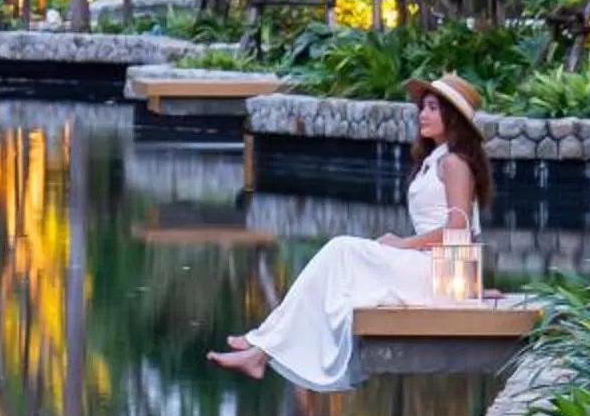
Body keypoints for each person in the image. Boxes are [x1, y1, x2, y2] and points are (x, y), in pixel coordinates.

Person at [209, 73, 493, 387]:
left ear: (453, 119)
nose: (422, 115)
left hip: (445, 273)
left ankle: (261, 347)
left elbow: (460, 231)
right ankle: (262, 347)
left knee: (341, 250)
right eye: (422, 108)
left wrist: (405, 245)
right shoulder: (434, 161)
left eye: (432, 108)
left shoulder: (454, 163)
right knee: (336, 268)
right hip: (433, 266)